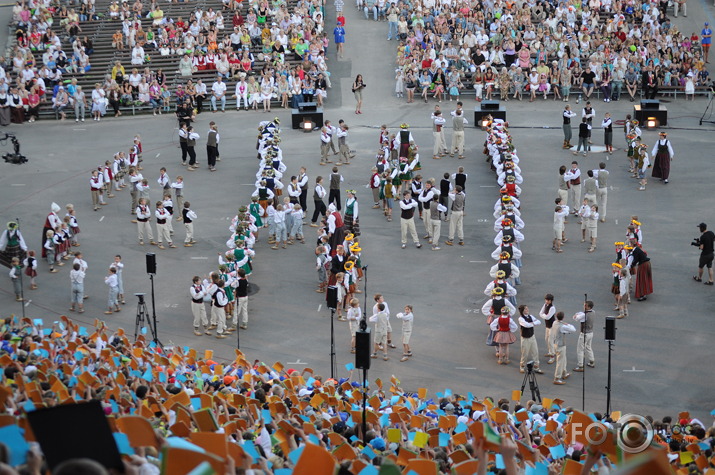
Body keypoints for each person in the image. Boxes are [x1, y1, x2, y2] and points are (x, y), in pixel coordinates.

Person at [551, 311, 576, 385]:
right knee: (560, 362)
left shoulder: (554, 323)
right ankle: (557, 378)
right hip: (561, 345)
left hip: (556, 343)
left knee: (563, 360)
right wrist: (567, 324)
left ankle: (564, 373)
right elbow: (573, 329)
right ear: (563, 317)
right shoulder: (562, 326)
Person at [518, 305, 543, 374]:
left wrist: (532, 323)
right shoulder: (521, 318)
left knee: (535, 352)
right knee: (524, 353)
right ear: (522, 311)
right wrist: (533, 323)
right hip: (525, 338)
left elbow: (539, 322)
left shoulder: (530, 316)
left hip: (532, 337)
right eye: (525, 309)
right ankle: (522, 366)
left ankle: (536, 367)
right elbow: (526, 325)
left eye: (527, 308)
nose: (527, 309)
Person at [572, 300, 595, 372]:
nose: (584, 306)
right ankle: (592, 361)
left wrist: (575, 315)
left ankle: (580, 365)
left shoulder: (584, 315)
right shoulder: (593, 312)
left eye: (585, 306)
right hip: (591, 333)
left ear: (589, 307)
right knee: (588, 347)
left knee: (580, 349)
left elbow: (575, 318)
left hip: (584, 334)